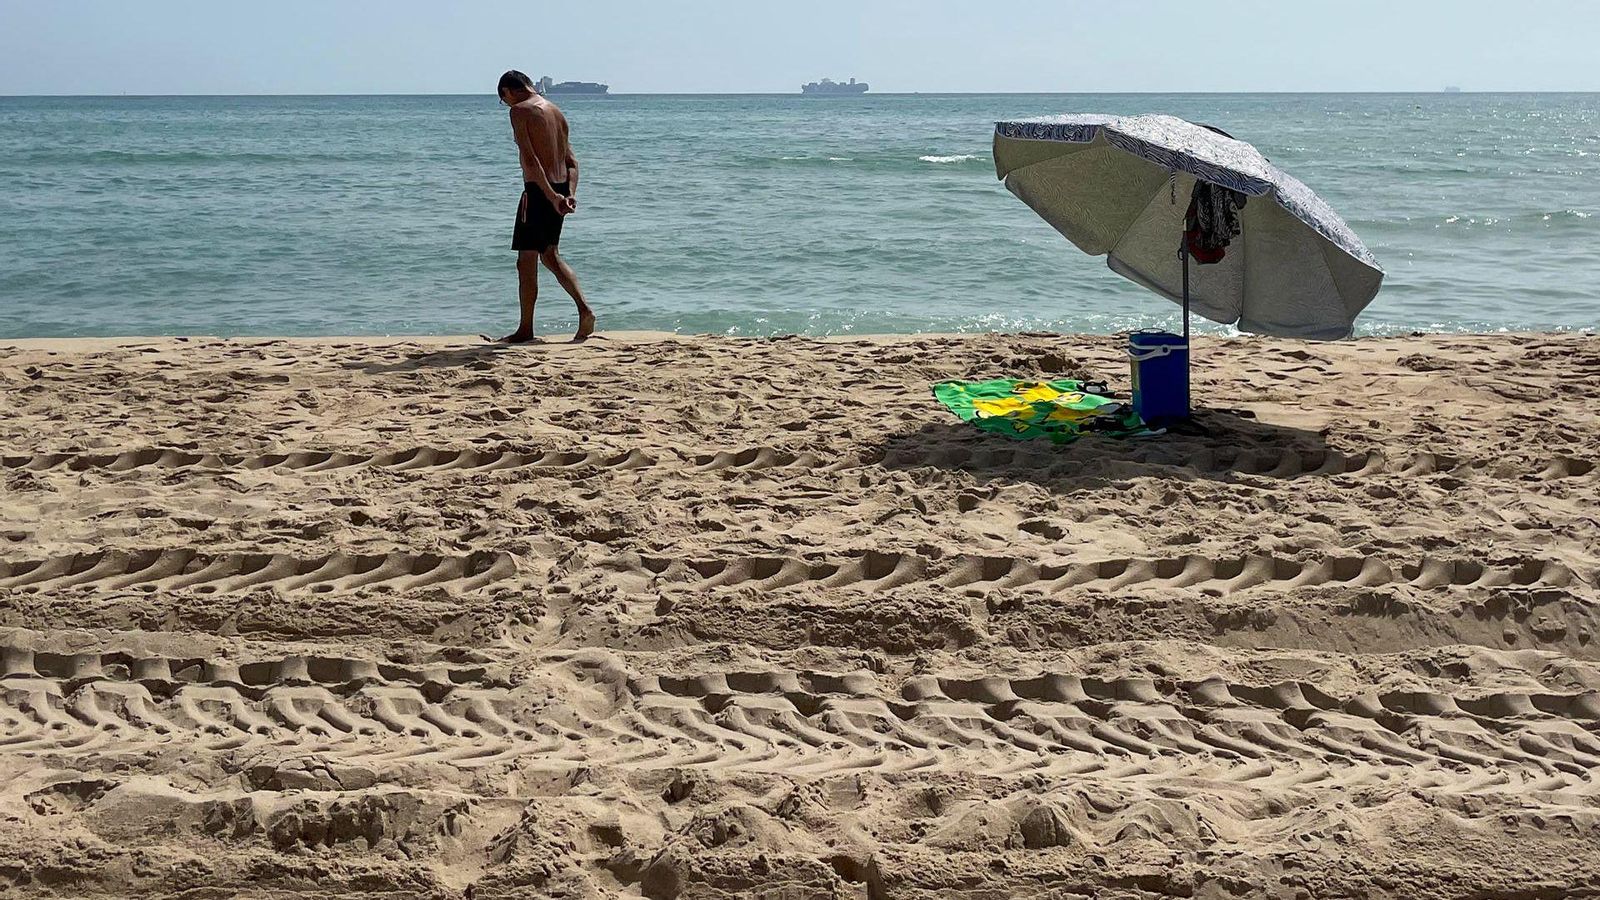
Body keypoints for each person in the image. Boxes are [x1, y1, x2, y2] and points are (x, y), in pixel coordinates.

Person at [496, 70, 595, 343]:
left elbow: (530, 160)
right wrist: (568, 194)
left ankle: (525, 329)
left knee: (526, 261)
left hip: (540, 193)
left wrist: (550, 197)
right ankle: (585, 310)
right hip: (561, 188)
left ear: (509, 91)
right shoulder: (557, 112)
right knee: (550, 255)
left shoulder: (520, 112)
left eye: (504, 100)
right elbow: (572, 161)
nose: (506, 106)